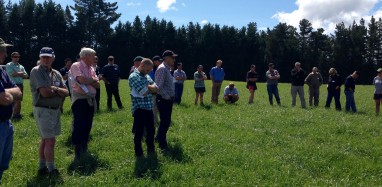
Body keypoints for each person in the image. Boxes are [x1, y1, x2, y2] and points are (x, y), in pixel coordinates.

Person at [30, 47, 69, 177]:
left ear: (53, 58)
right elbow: (45, 93)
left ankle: (42, 168)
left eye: (48, 57)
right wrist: (58, 91)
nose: (46, 59)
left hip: (55, 111)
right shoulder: (36, 71)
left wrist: (55, 88)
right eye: (43, 57)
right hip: (43, 110)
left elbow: (67, 92)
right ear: (40, 58)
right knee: (50, 141)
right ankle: (52, 170)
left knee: (45, 140)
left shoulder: (56, 73)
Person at [69, 48, 99, 160]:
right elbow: (81, 80)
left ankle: (84, 146)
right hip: (80, 99)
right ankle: (77, 149)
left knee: (88, 124)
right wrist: (92, 80)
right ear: (85, 56)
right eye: (92, 56)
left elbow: (98, 85)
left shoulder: (91, 68)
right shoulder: (76, 66)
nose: (94, 58)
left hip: (90, 98)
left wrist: (90, 80)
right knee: (79, 124)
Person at [0, 38, 22, 183]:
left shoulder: (2, 71)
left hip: (6, 124)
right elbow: (4, 100)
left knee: (2, 165)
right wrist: (9, 95)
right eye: (2, 51)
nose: (5, 54)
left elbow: (18, 93)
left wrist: (6, 93)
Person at [128, 58, 158, 157]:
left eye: (149, 71)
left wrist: (148, 86)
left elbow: (156, 88)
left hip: (149, 108)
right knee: (139, 132)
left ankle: (151, 150)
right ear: (142, 66)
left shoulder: (147, 76)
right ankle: (139, 153)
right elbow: (143, 91)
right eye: (147, 70)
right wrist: (150, 87)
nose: (148, 72)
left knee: (151, 130)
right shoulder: (133, 76)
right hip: (139, 108)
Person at [155, 50, 176, 150]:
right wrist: (167, 96)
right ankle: (162, 143)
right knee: (165, 121)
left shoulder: (167, 69)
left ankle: (159, 137)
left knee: (166, 121)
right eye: (172, 58)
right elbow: (158, 86)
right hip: (164, 99)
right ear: (166, 58)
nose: (174, 60)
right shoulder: (162, 69)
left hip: (167, 99)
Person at [6, 52, 28, 120]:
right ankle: (13, 114)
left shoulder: (21, 66)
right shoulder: (9, 65)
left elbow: (26, 75)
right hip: (12, 85)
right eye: (15, 57)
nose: (17, 58)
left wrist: (17, 73)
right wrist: (21, 73)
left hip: (20, 85)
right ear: (12, 57)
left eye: (18, 57)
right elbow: (12, 74)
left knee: (19, 100)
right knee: (12, 100)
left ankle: (17, 114)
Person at [149, 56, 161, 127]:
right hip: (153, 92)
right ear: (154, 62)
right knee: (154, 108)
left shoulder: (160, 69)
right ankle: (155, 122)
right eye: (158, 61)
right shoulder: (151, 70)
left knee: (160, 107)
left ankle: (162, 120)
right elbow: (150, 81)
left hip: (160, 92)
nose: (160, 62)